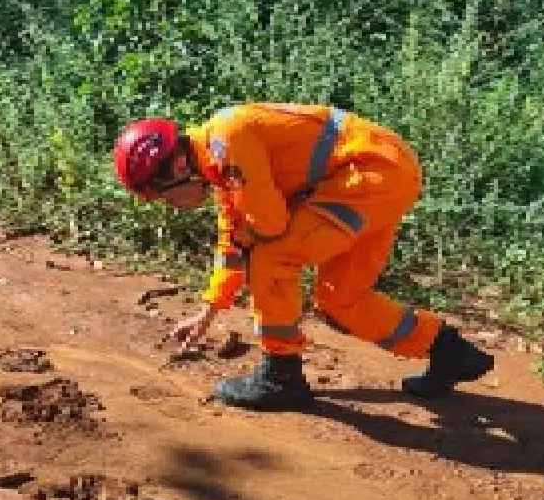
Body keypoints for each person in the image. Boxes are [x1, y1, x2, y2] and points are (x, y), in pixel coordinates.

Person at [112, 102, 495, 410]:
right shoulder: (220, 165)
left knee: (272, 257)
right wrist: (209, 311)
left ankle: (282, 376)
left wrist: (249, 235)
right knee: (339, 299)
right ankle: (449, 351)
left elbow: (268, 226)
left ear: (177, 166)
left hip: (366, 174)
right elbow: (233, 242)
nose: (169, 204)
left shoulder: (227, 140)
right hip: (380, 176)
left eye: (163, 195)